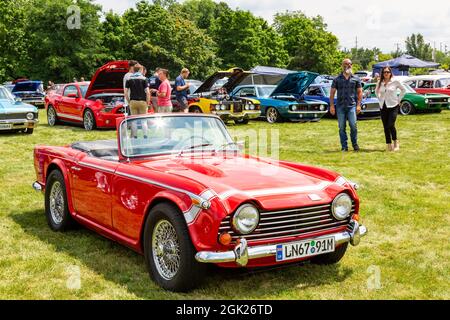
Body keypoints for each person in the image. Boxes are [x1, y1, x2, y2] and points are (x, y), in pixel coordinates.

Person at [330, 58, 363, 152]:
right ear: (342, 65)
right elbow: (332, 93)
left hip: (352, 106)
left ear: (351, 65)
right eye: (345, 64)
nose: (348, 65)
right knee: (341, 127)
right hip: (340, 106)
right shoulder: (337, 79)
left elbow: (360, 92)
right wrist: (332, 106)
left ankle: (355, 144)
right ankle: (344, 147)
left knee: (353, 126)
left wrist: (358, 105)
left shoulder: (356, 79)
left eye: (349, 64)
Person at [375, 66, 406, 152]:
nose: (386, 73)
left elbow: (403, 90)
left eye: (387, 72)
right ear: (382, 73)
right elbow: (376, 91)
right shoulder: (379, 82)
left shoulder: (395, 81)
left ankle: (396, 142)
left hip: (393, 105)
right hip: (383, 106)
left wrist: (399, 99)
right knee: (385, 126)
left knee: (390, 124)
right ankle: (389, 144)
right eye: (384, 72)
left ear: (390, 73)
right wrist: (379, 98)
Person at [124, 65, 151, 138]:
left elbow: (125, 92)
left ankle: (135, 136)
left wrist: (129, 101)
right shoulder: (144, 79)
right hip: (142, 101)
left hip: (133, 101)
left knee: (134, 121)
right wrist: (148, 102)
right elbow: (148, 92)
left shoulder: (129, 79)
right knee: (143, 120)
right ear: (140, 70)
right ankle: (145, 136)